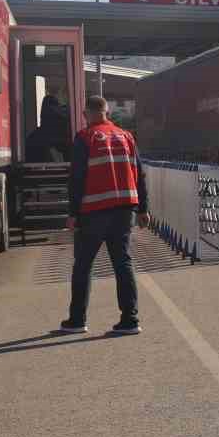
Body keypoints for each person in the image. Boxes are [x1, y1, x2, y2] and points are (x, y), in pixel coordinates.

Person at [61, 96, 150, 336]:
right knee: (123, 263)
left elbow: (77, 179)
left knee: (83, 265)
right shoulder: (126, 136)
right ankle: (130, 320)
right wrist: (143, 208)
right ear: (107, 112)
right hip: (124, 210)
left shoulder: (84, 138)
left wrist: (72, 213)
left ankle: (77, 320)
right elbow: (139, 173)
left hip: (93, 211)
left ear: (86, 113)